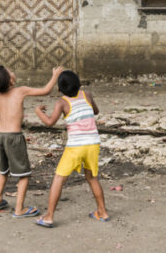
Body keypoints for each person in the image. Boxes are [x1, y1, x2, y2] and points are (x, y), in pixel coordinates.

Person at [0, 65, 62, 219]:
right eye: (10, 71)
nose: (13, 72)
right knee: (24, 174)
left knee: (3, 171)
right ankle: (19, 209)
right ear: (10, 79)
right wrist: (55, 76)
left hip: (0, 137)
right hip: (14, 138)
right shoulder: (20, 90)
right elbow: (45, 90)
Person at [33, 69, 109, 228]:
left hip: (75, 146)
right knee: (92, 177)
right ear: (79, 84)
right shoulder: (87, 95)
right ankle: (102, 211)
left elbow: (49, 122)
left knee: (59, 178)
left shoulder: (61, 103)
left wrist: (38, 111)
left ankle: (48, 216)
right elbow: (96, 111)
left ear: (59, 90)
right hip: (93, 143)